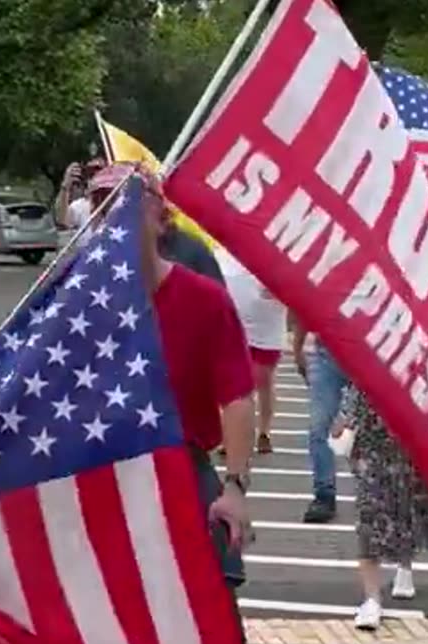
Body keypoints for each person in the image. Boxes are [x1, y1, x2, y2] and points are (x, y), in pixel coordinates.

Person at [134, 168, 255, 631]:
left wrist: (235, 487)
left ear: (161, 220)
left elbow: (238, 397)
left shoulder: (204, 300)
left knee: (211, 621)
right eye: (103, 208)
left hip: (183, 470)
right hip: (106, 475)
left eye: (130, 205)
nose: (115, 219)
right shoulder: (82, 304)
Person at [333, 383, 428, 630]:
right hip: (384, 457)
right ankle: (379, 592)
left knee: (392, 518)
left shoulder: (406, 376)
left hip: (395, 457)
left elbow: (342, 423)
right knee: (380, 520)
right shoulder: (373, 376)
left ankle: (392, 580)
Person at [87, 162, 226, 286]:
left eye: (120, 199)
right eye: (102, 203)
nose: (112, 210)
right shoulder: (96, 262)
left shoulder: (190, 252)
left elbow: (219, 309)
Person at [215, 244, 286, 454]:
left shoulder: (275, 256)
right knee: (234, 385)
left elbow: (291, 292)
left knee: (263, 381)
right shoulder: (223, 256)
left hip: (267, 330)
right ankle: (230, 438)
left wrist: (278, 292)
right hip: (235, 329)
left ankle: (264, 431)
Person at [291, 319, 347, 523]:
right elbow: (305, 306)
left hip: (366, 354)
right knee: (318, 428)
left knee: (371, 430)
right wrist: (298, 349)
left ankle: (379, 494)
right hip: (325, 354)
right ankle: (324, 495)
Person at [52, 158, 106, 229]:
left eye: (101, 172)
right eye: (91, 175)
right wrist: (65, 187)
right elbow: (62, 220)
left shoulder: (119, 201)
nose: (96, 178)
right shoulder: (80, 206)